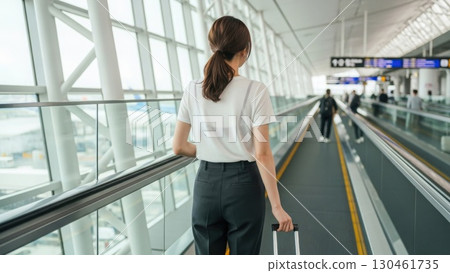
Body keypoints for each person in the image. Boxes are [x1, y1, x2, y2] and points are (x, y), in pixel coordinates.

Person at [172, 16, 293, 255]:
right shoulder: (255, 89)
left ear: (212, 46)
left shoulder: (193, 88)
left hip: (205, 183)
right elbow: (262, 152)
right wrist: (277, 206)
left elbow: (178, 147)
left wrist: (209, 150)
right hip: (244, 185)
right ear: (245, 51)